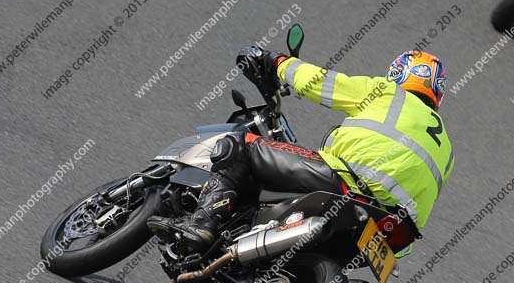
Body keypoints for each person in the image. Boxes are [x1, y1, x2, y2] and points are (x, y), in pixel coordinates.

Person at [148, 49, 455, 257]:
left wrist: (277, 61)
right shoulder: (447, 149)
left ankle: (203, 224)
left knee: (238, 145)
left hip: (345, 184)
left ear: (399, 74)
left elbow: (320, 82)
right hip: (393, 231)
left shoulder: (388, 94)